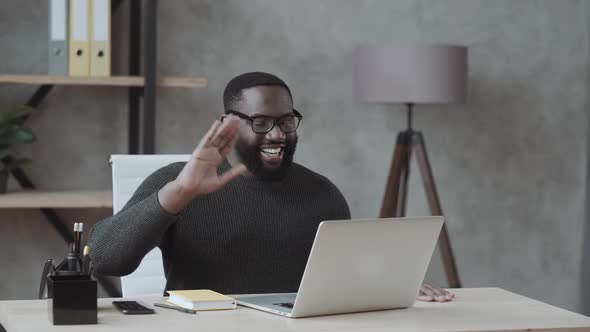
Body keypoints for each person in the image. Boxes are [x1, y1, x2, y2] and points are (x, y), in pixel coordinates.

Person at [88, 72, 453, 302]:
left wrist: (393, 285)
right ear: (227, 123)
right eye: (260, 122)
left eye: (287, 121)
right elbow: (103, 259)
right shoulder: (177, 180)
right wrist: (180, 193)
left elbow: (341, 280)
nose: (277, 135)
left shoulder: (323, 194)